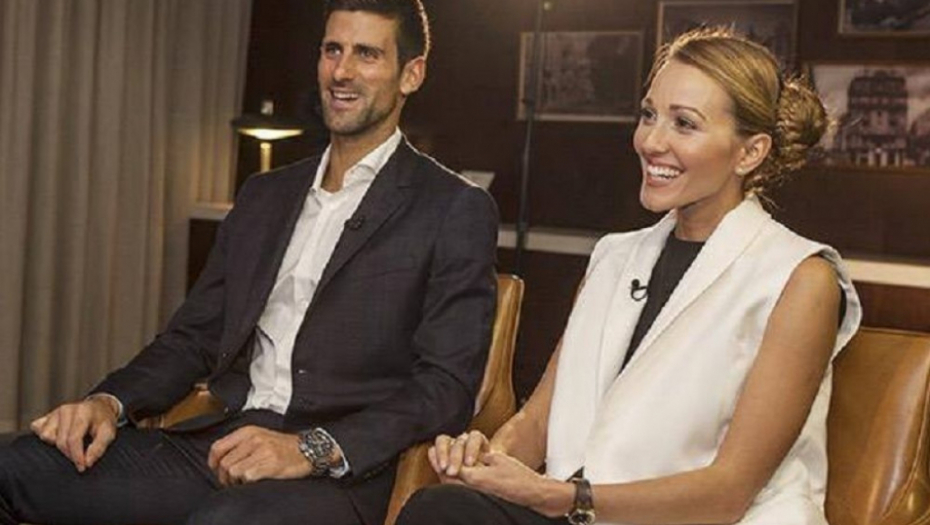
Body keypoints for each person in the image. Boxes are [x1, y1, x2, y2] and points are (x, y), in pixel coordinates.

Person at [0, 1, 499, 524]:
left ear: (411, 75)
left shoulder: (452, 207)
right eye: (333, 50)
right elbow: (193, 338)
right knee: (12, 467)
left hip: (339, 474)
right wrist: (108, 402)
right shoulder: (265, 194)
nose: (342, 72)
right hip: (220, 444)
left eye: (367, 54)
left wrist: (309, 449)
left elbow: (445, 387)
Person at [397, 27, 861, 525]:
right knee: (441, 508)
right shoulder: (613, 257)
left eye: (684, 124)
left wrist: (561, 496)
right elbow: (537, 422)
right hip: (583, 510)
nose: (651, 141)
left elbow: (727, 493)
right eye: (648, 115)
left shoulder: (801, 278)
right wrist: (483, 461)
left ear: (750, 152)